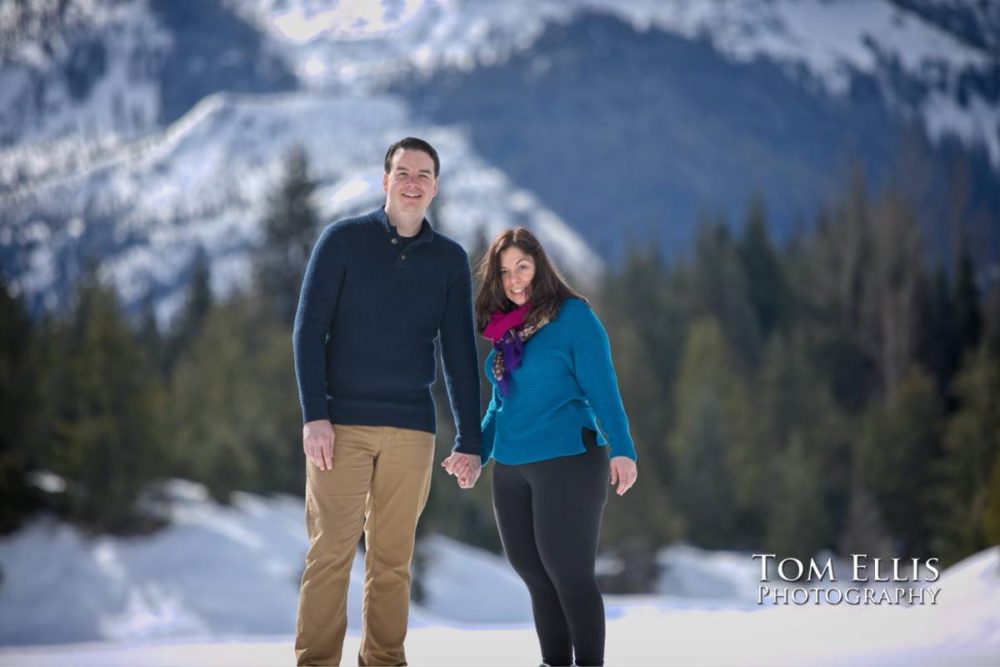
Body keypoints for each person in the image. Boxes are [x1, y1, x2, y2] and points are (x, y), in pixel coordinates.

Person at [293, 137, 482, 666]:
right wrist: (315, 415)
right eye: (403, 172)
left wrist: (470, 438)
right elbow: (309, 333)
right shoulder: (342, 242)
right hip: (340, 426)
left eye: (424, 175)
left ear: (436, 187)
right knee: (330, 554)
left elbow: (461, 356)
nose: (413, 183)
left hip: (412, 430)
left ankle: (384, 661)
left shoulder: (448, 260)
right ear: (385, 181)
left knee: (392, 562)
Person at [445, 227, 637, 667]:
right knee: (534, 574)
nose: (514, 280)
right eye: (505, 272)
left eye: (523, 267)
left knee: (569, 575)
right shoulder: (507, 332)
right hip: (512, 468)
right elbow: (500, 404)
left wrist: (623, 447)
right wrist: (475, 450)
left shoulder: (574, 318)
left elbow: (603, 389)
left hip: (567, 461)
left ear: (541, 266)